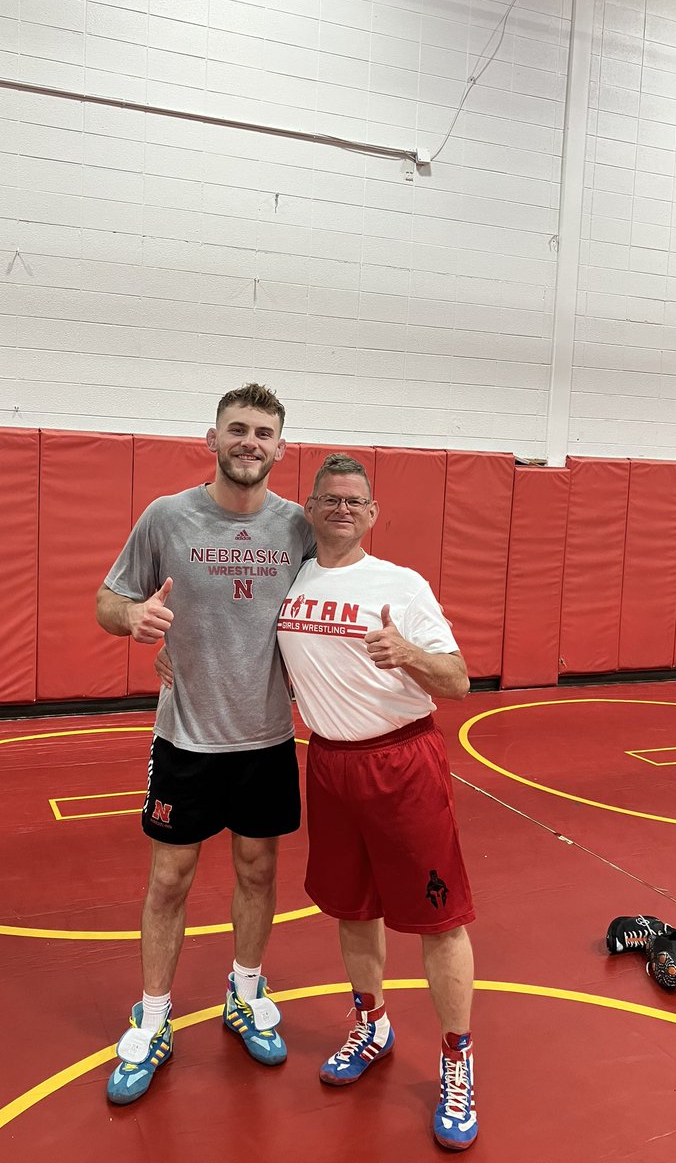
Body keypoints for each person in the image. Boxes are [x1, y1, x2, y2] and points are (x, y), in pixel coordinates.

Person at [96, 383, 313, 1105]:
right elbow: (108, 598)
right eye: (238, 430)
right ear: (212, 438)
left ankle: (245, 993)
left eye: (264, 433)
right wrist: (130, 620)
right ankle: (154, 1016)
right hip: (186, 736)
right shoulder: (167, 516)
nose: (250, 442)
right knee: (169, 881)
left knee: (256, 870)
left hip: (266, 738)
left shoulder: (299, 528)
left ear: (282, 449)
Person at [276, 452, 478, 1153]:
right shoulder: (292, 580)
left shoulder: (401, 585)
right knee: (352, 908)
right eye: (329, 499)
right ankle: (373, 1024)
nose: (341, 509)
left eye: (354, 502)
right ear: (309, 507)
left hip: (402, 763)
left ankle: (456, 1059)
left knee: (438, 920)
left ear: (372, 514)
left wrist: (408, 654)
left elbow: (458, 681)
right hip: (328, 763)